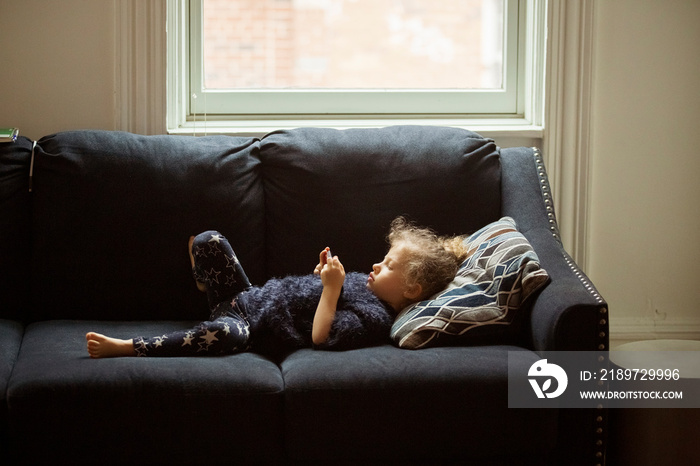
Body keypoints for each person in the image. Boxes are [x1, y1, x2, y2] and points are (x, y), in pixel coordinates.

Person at [86, 217, 468, 358]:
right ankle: (206, 281)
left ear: (413, 290)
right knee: (209, 239)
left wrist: (331, 291)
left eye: (387, 266)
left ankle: (130, 347)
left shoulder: (374, 318)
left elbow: (321, 336)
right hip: (246, 296)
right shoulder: (362, 284)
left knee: (220, 336)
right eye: (382, 258)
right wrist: (322, 278)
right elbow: (309, 296)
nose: (375, 265)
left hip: (249, 326)